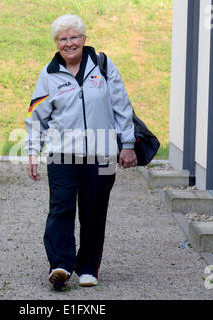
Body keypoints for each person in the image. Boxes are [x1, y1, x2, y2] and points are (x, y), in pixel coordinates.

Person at [25, 14, 137, 289]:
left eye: (74, 37)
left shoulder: (103, 66)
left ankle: (88, 268)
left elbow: (122, 107)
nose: (69, 43)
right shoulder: (49, 74)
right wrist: (32, 152)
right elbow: (36, 116)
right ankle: (61, 266)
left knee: (94, 212)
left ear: (84, 39)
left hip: (102, 154)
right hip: (62, 155)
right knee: (60, 209)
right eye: (63, 39)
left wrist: (128, 144)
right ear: (56, 43)